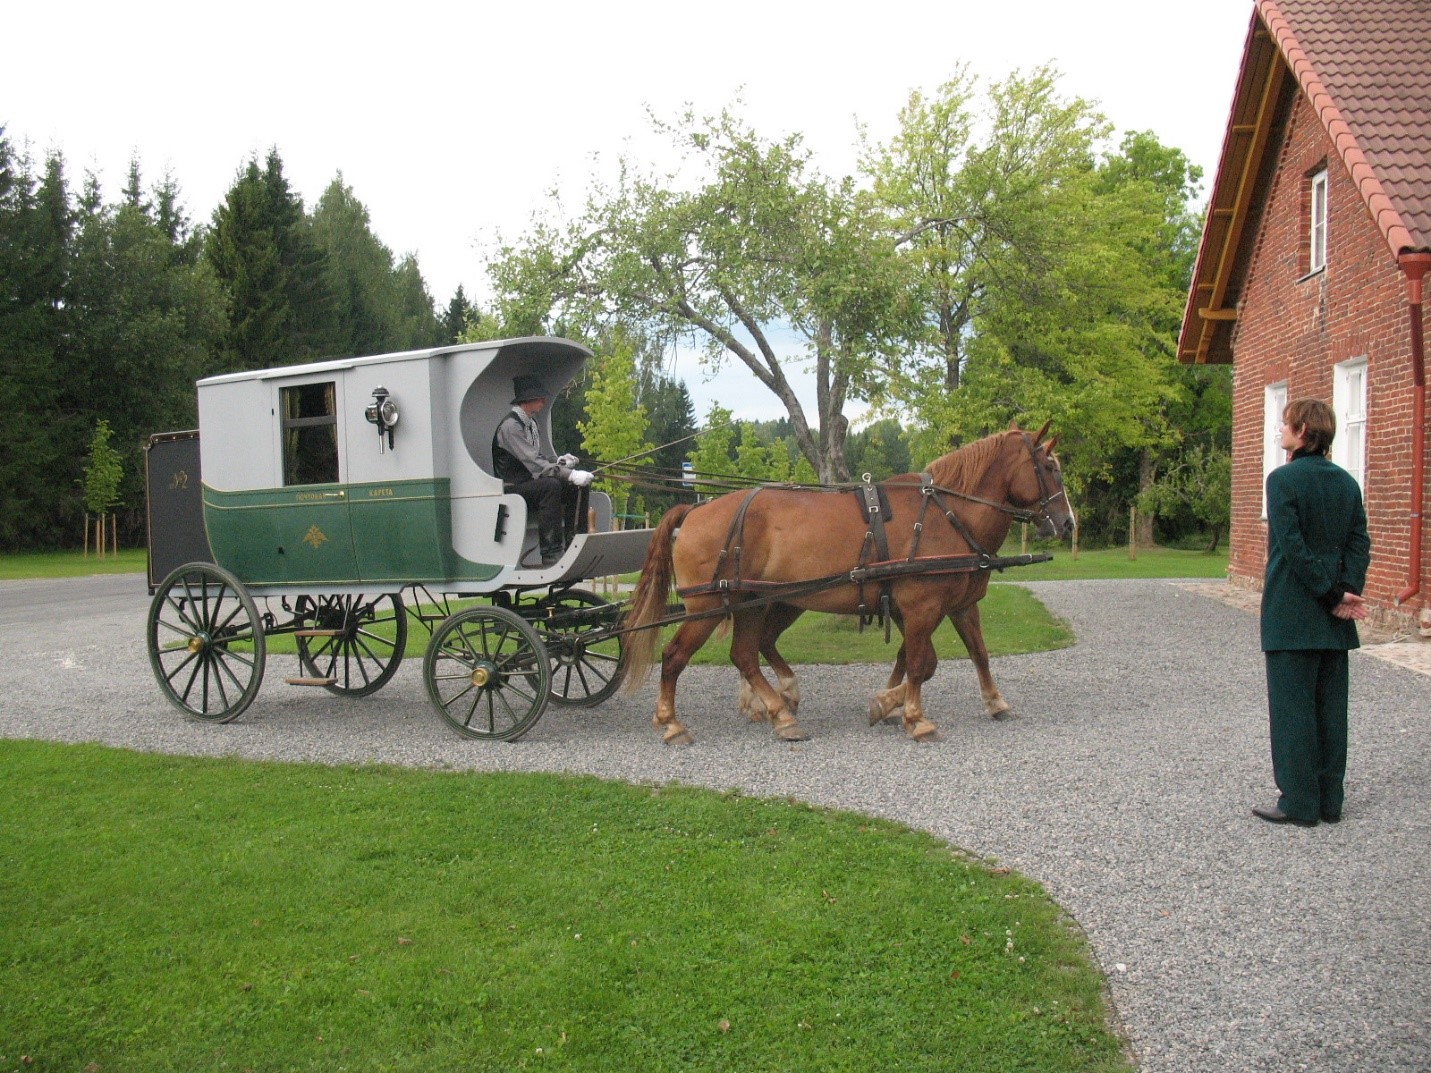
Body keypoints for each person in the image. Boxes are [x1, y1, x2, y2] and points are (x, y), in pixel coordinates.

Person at [1255, 398, 1371, 827]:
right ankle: (1329, 800)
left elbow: (1292, 547)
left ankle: (1299, 802)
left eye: (1286, 424)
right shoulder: (1346, 482)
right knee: (1330, 709)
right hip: (1333, 617)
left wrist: (1330, 593)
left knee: (1292, 710)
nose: (1280, 431)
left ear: (1303, 430)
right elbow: (1360, 540)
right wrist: (1347, 589)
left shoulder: (1282, 480)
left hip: (1293, 610)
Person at [491, 375, 594, 567]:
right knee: (550, 486)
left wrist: (559, 461)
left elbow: (537, 457)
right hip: (513, 487)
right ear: (526, 401)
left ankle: (575, 543)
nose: (543, 401)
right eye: (539, 398)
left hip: (529, 483)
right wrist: (569, 474)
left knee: (577, 487)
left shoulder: (531, 423)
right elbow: (533, 461)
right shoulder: (511, 427)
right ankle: (551, 552)